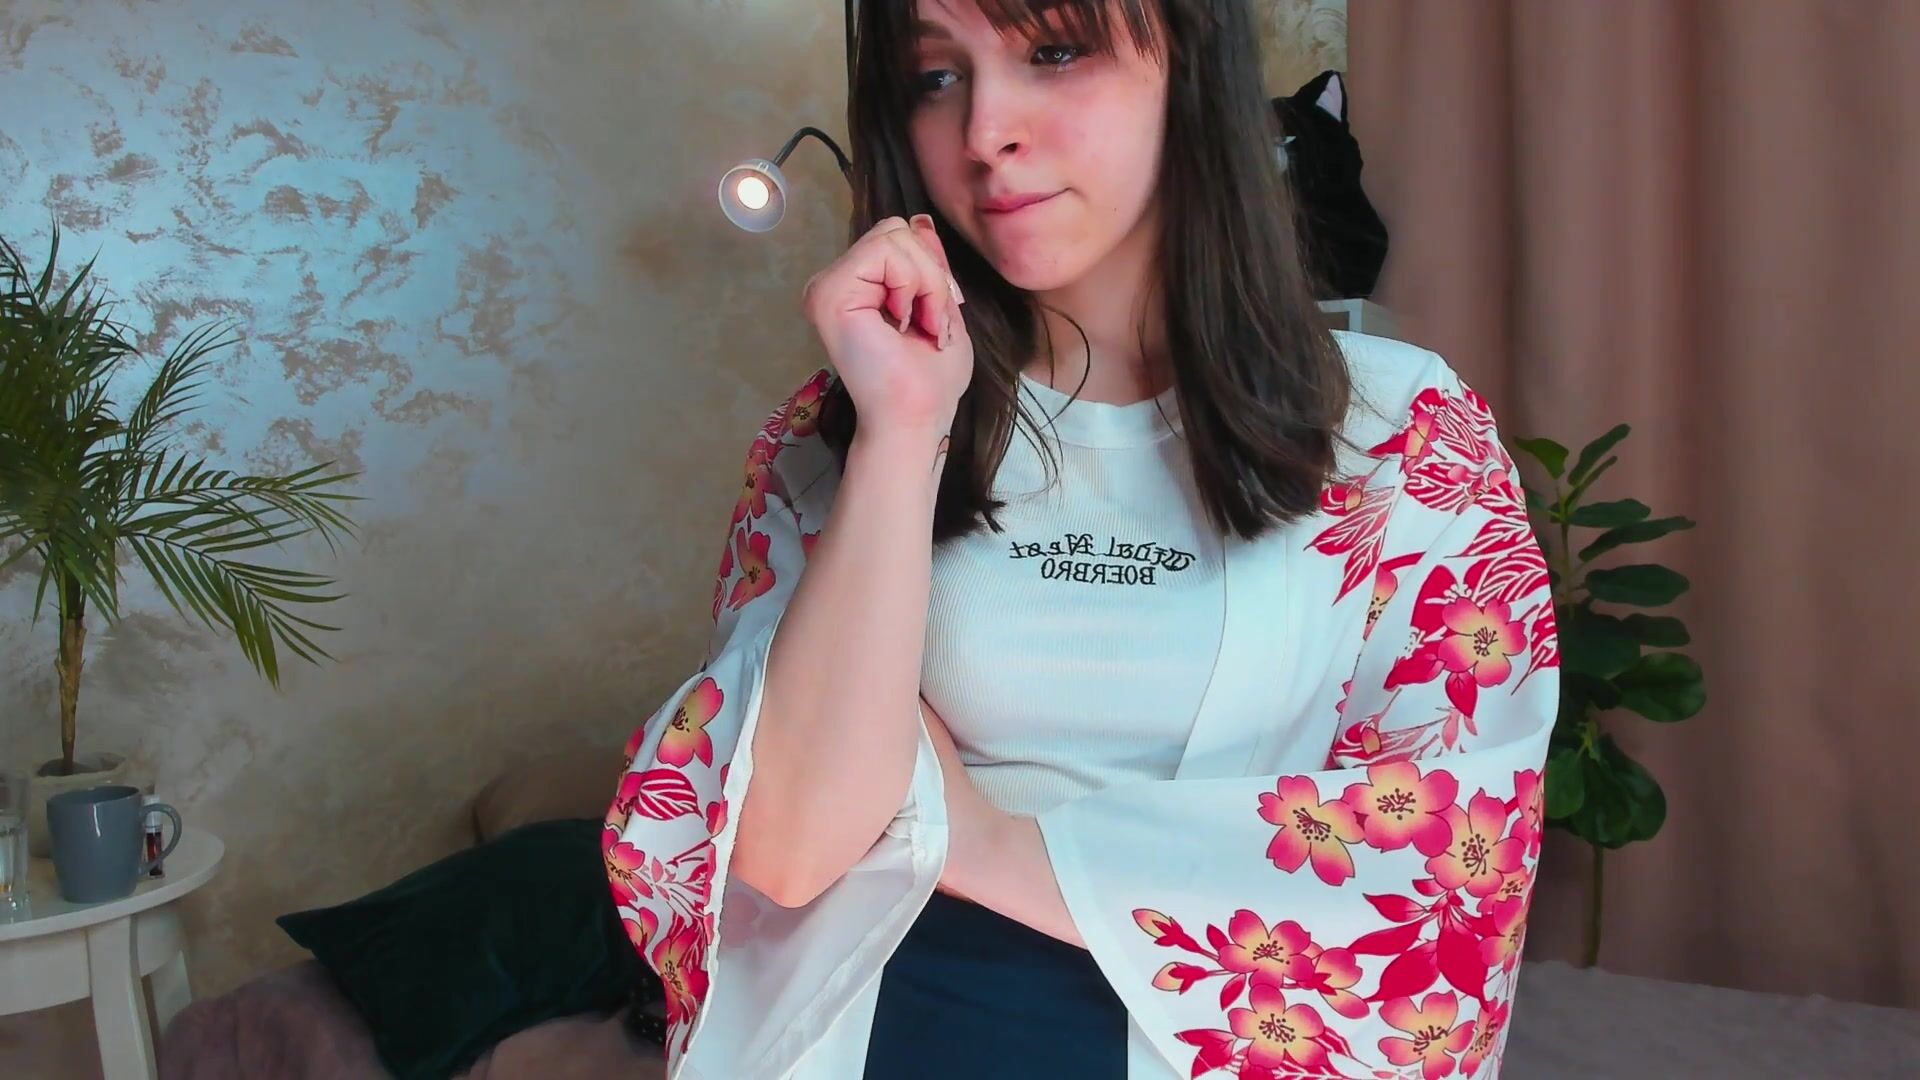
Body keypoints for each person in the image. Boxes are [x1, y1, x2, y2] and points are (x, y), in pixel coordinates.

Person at [603, 1, 1557, 1077]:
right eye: (934, 77)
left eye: (1055, 51)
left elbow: (1448, 873)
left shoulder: (1402, 434)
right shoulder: (839, 432)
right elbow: (783, 850)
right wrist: (904, 432)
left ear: (1190, 65)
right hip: (883, 1031)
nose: (984, 132)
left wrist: (981, 837)